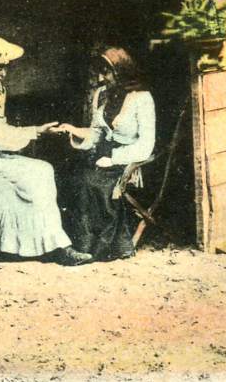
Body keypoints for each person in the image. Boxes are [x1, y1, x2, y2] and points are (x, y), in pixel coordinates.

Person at [0, 35, 92, 266]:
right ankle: (42, 248)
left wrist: (39, 130)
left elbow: (0, 131)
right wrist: (36, 131)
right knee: (27, 174)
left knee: (42, 169)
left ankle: (51, 244)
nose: (4, 74)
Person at [54, 47, 156, 261]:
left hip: (126, 161)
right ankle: (77, 247)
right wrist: (73, 130)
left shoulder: (142, 99)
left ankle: (99, 248)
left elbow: (147, 145)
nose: (102, 78)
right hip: (100, 156)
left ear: (121, 71)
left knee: (90, 183)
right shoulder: (102, 96)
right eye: (100, 72)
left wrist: (113, 159)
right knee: (71, 179)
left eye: (106, 72)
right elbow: (97, 133)